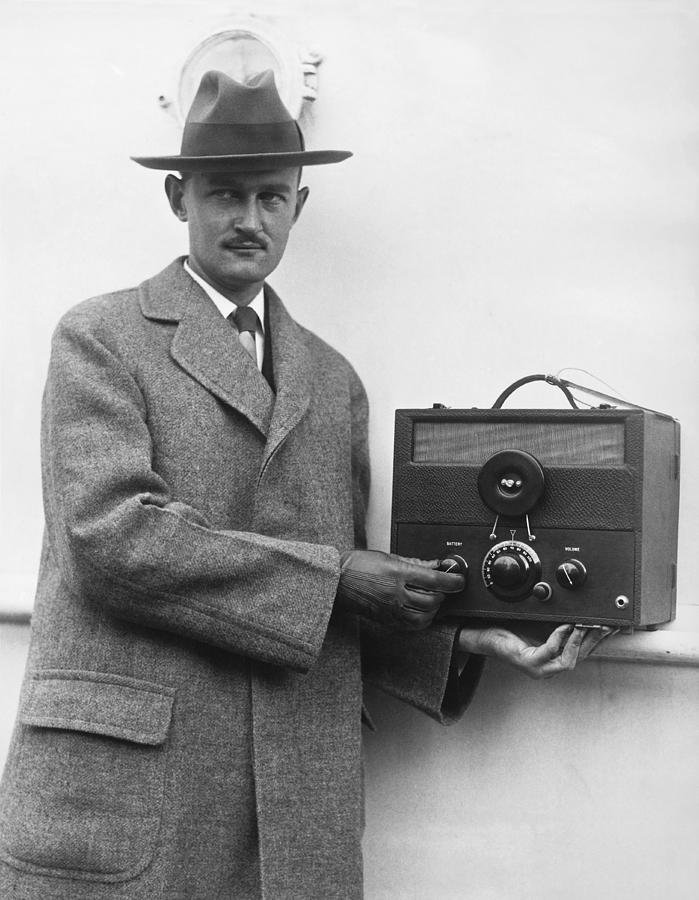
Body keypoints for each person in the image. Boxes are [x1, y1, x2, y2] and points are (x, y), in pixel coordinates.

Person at [0, 70, 612, 900]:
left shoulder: (332, 379)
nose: (249, 219)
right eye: (224, 194)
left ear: (300, 205)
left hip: (291, 793)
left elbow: (337, 592)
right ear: (179, 198)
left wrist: (465, 639)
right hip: (135, 791)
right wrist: (337, 579)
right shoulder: (100, 338)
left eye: (270, 197)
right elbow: (110, 541)